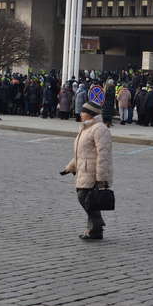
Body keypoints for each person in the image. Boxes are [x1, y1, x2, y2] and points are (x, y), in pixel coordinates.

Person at [59, 100, 113, 241]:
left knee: (86, 199)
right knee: (87, 199)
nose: (80, 114)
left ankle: (95, 228)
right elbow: (81, 153)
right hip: (84, 170)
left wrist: (101, 178)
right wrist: (70, 167)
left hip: (93, 172)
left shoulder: (100, 129)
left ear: (90, 114)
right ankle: (96, 228)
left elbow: (104, 155)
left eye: (83, 111)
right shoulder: (85, 128)